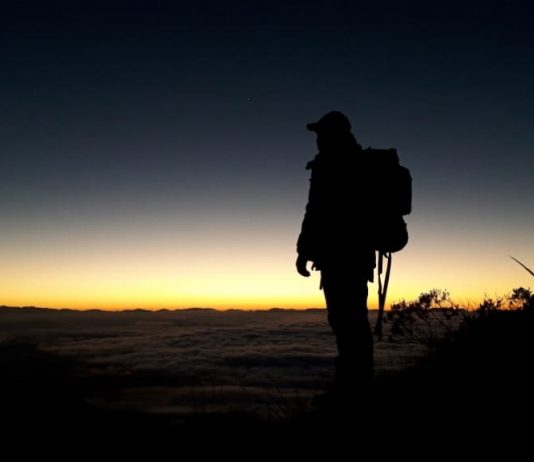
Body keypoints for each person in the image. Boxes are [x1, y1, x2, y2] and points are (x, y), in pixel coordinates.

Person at [296, 111, 375, 395]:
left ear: (334, 134)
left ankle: (354, 388)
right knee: (350, 320)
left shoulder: (334, 164)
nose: (317, 140)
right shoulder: (355, 161)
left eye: (321, 134)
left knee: (347, 321)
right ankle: (356, 381)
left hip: (342, 256)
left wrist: (303, 251)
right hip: (354, 255)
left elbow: (315, 212)